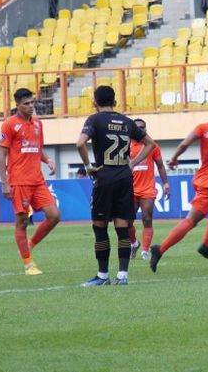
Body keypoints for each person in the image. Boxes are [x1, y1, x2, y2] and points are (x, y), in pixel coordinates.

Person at [76, 85, 155, 286]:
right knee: (122, 227)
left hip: (105, 176)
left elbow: (80, 143)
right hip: (125, 177)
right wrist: (133, 163)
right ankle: (123, 275)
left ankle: (103, 276)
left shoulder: (94, 120)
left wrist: (88, 166)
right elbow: (150, 144)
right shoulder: (127, 121)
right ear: (115, 102)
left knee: (100, 227)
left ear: (95, 102)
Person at [148, 101, 208, 272]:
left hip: (207, 178)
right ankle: (160, 249)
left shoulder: (203, 127)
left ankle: (206, 244)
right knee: (192, 220)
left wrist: (174, 158)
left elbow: (184, 144)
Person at [0, 88, 61, 275]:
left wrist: (48, 160)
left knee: (54, 216)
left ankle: (30, 245)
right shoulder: (9, 125)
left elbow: (37, 147)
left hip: (38, 180)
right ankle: (28, 264)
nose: (31, 106)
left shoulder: (38, 124)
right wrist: (4, 183)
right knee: (22, 222)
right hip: (19, 181)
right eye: (26, 104)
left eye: (32, 102)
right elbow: (1, 155)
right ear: (17, 105)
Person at [128, 118, 170, 261]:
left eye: (142, 127)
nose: (140, 129)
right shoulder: (126, 146)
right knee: (127, 221)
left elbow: (160, 166)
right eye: (137, 127)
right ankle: (134, 243)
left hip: (147, 189)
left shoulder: (153, 146)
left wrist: (166, 185)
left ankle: (145, 251)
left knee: (147, 219)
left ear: (145, 129)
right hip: (130, 189)